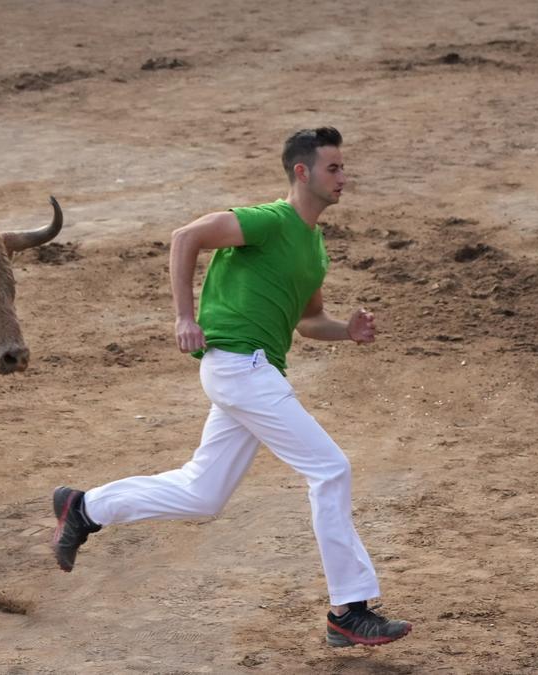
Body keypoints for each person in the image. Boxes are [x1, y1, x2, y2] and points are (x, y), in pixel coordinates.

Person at [52, 127, 411, 647]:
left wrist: (346, 332)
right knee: (330, 470)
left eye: (342, 168)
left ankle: (85, 508)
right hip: (240, 366)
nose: (343, 178)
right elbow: (185, 237)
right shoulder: (268, 221)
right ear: (302, 172)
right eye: (333, 168)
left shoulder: (313, 248)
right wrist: (183, 316)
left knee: (203, 492)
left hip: (252, 372)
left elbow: (309, 322)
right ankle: (348, 609)